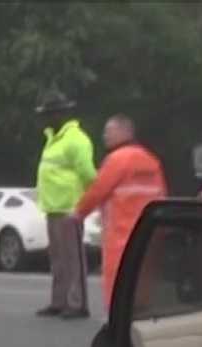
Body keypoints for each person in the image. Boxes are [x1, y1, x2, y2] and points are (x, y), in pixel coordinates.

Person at [73, 114, 168, 311]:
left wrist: (79, 213)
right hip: (149, 234)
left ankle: (118, 323)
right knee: (143, 280)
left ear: (124, 132)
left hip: (121, 235)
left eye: (109, 131)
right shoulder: (151, 161)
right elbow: (162, 195)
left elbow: (98, 190)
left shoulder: (117, 160)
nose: (104, 136)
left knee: (117, 282)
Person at [34, 89, 96, 319]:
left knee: (73, 259)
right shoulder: (52, 139)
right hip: (52, 208)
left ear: (61, 114)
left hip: (70, 208)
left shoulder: (76, 139)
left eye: (49, 114)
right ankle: (59, 302)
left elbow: (89, 174)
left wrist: (86, 202)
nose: (46, 118)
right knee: (58, 260)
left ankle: (77, 304)